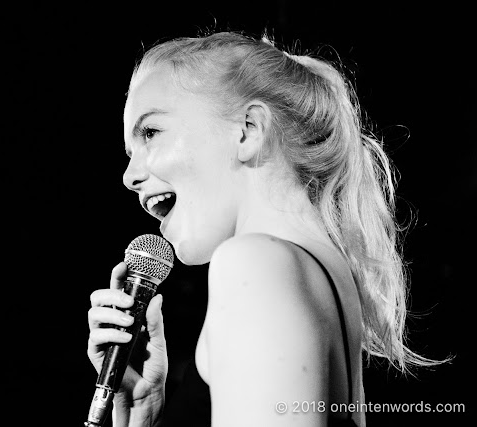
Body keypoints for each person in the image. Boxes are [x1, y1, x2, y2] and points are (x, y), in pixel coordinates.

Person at [86, 30, 445, 427]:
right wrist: (143, 414)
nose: (128, 176)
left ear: (248, 130)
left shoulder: (254, 265)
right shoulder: (322, 279)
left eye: (150, 133)